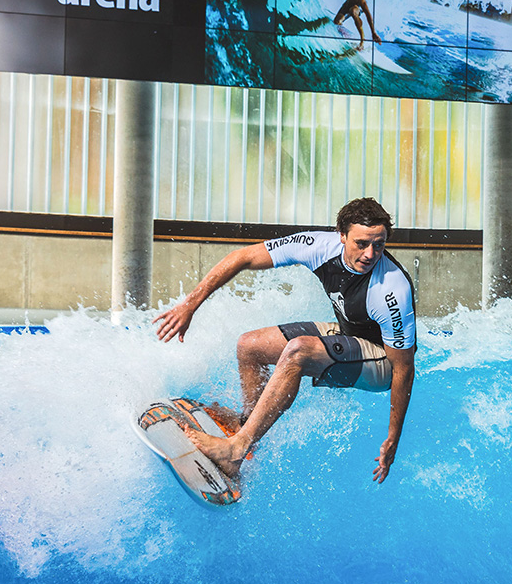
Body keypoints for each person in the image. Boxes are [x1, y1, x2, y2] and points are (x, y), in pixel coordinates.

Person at [153, 197, 415, 494]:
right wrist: (189, 306)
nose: (370, 254)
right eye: (361, 243)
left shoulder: (392, 289)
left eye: (379, 245)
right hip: (347, 333)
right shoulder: (318, 246)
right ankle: (245, 426)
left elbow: (404, 369)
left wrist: (393, 438)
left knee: (298, 351)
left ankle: (236, 449)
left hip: (382, 361)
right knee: (249, 346)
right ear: (341, 236)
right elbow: (243, 257)